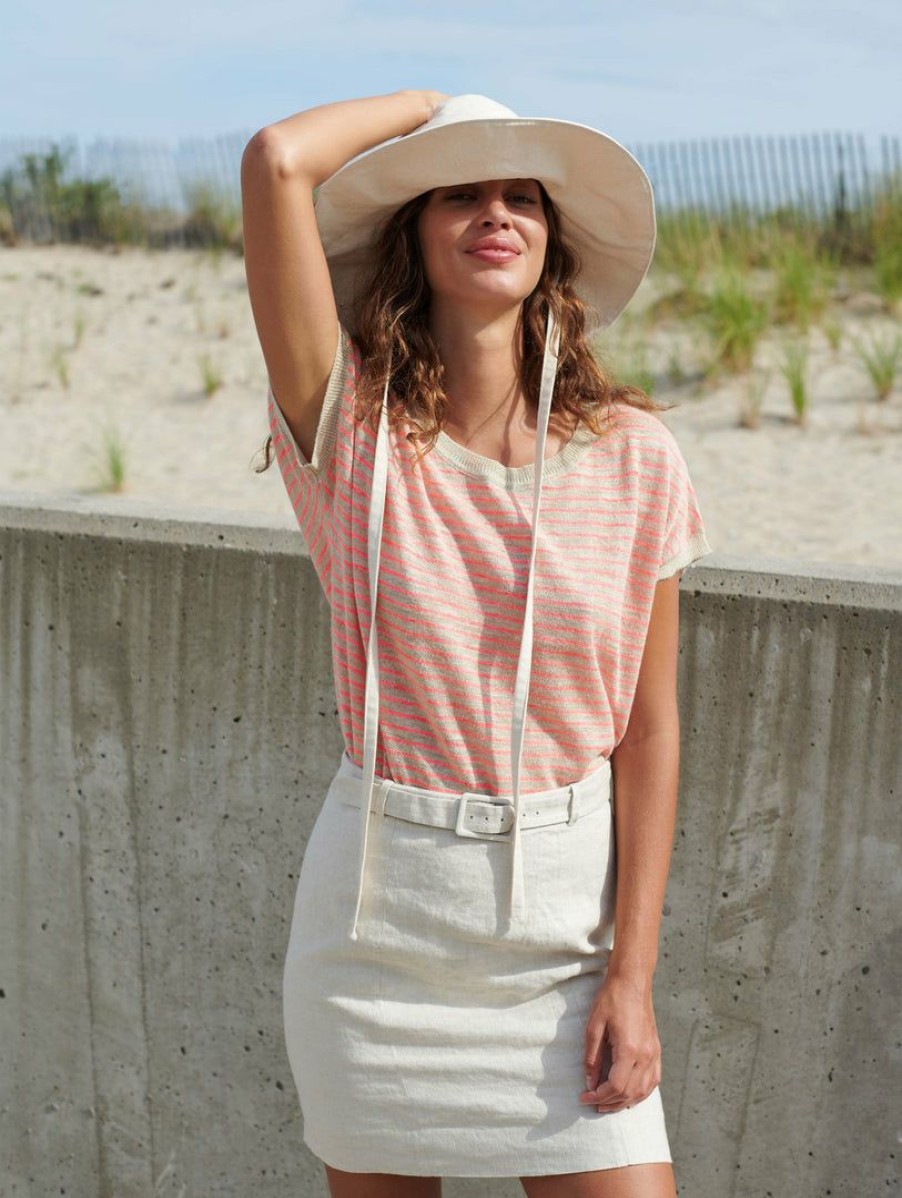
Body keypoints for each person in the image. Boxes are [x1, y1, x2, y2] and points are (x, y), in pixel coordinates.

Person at [240, 90, 712, 1198]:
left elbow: (647, 732)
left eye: (520, 198)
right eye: (459, 193)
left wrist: (631, 976)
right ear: (413, 236)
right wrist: (432, 105)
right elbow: (275, 163)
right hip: (376, 930)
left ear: (552, 247)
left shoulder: (637, 459)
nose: (493, 213)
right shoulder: (348, 434)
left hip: (566, 931)